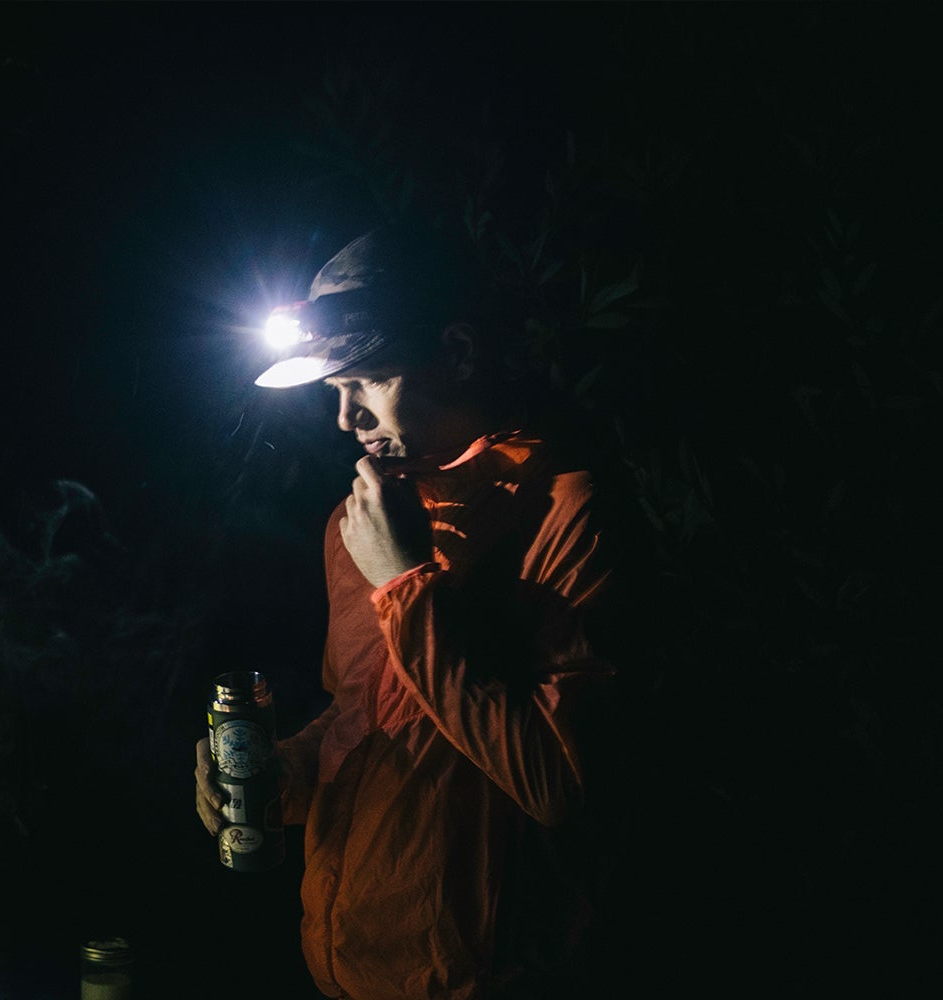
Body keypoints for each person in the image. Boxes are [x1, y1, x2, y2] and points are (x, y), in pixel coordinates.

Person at [196, 223, 630, 998]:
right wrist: (278, 774)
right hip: (350, 962)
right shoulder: (357, 521)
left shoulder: (565, 512)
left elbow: (557, 783)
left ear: (457, 354)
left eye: (367, 380)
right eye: (335, 392)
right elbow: (361, 714)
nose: (345, 420)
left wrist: (403, 583)